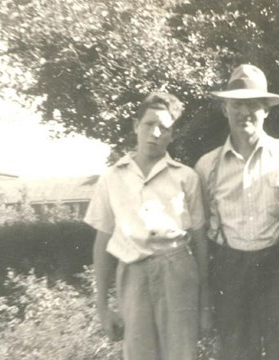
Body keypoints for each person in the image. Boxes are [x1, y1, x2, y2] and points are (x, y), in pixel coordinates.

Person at [85, 92, 211, 360]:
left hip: (177, 272)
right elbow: (102, 242)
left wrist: (205, 302)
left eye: (164, 128)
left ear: (172, 134)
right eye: (148, 124)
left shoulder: (185, 177)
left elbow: (200, 240)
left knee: (181, 354)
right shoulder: (112, 177)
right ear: (135, 126)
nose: (155, 133)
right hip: (133, 273)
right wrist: (102, 306)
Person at [195, 64, 279, 360]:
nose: (245, 112)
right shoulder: (207, 166)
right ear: (225, 109)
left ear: (266, 110)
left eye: (253, 104)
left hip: (278, 267)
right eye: (237, 104)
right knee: (237, 352)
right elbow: (201, 234)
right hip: (230, 269)